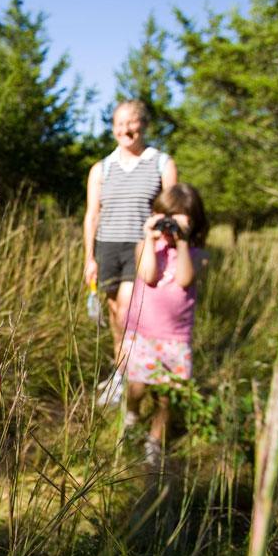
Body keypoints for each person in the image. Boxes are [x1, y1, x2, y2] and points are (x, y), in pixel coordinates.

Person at [83, 100, 177, 404]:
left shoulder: (162, 163)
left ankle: (133, 378)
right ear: (112, 129)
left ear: (144, 125)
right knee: (115, 317)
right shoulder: (102, 168)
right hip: (108, 247)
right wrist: (89, 258)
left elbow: (172, 211)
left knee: (128, 310)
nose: (126, 129)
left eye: (132, 122)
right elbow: (92, 215)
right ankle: (122, 373)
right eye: (119, 124)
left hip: (143, 248)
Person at [122, 184, 209, 467]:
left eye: (180, 217)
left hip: (174, 338)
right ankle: (132, 414)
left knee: (165, 396)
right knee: (136, 386)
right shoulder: (146, 247)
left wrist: (182, 242)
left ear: (193, 221)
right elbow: (147, 275)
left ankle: (155, 441)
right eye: (166, 215)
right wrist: (149, 238)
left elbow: (184, 279)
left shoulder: (198, 254)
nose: (171, 222)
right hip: (142, 333)